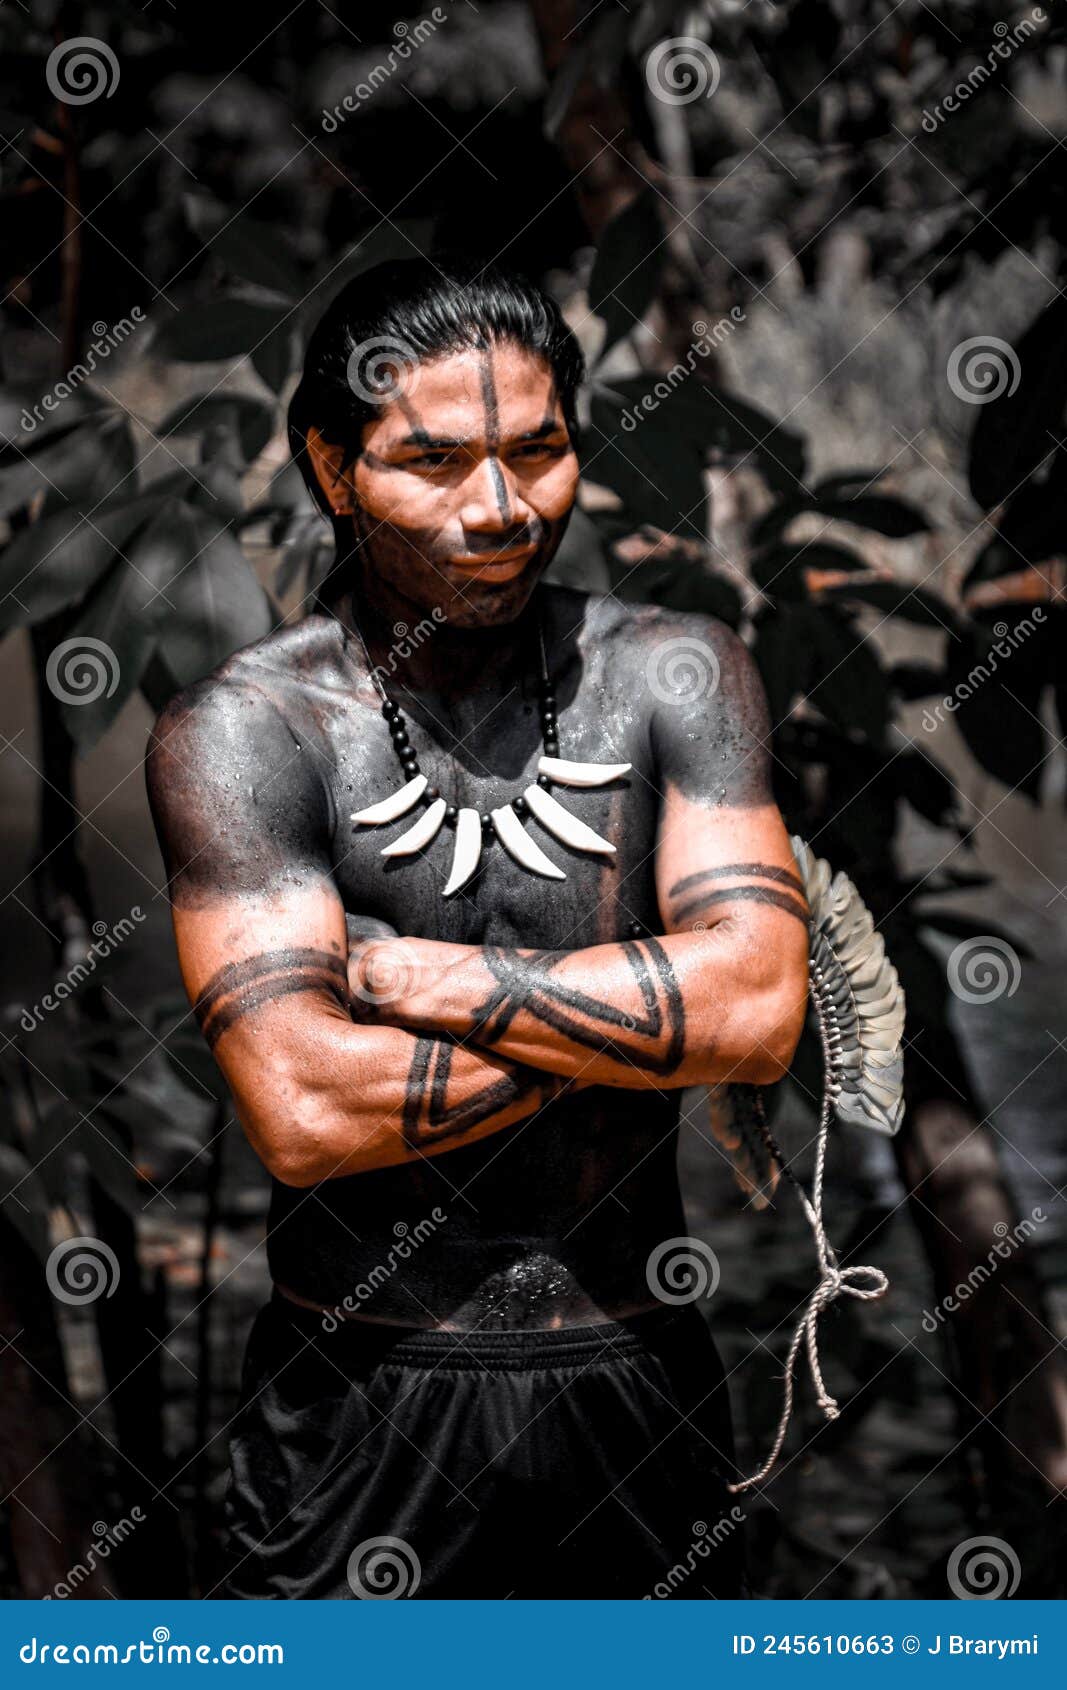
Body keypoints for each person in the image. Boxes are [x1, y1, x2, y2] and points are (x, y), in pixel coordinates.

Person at [145, 254, 810, 1599]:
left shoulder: (678, 672)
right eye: (435, 462)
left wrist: (444, 978)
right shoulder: (247, 731)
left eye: (541, 450)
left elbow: (756, 1015)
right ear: (334, 470)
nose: (502, 507)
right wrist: (645, 1023)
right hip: (359, 1396)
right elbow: (308, 1110)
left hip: (638, 1381)